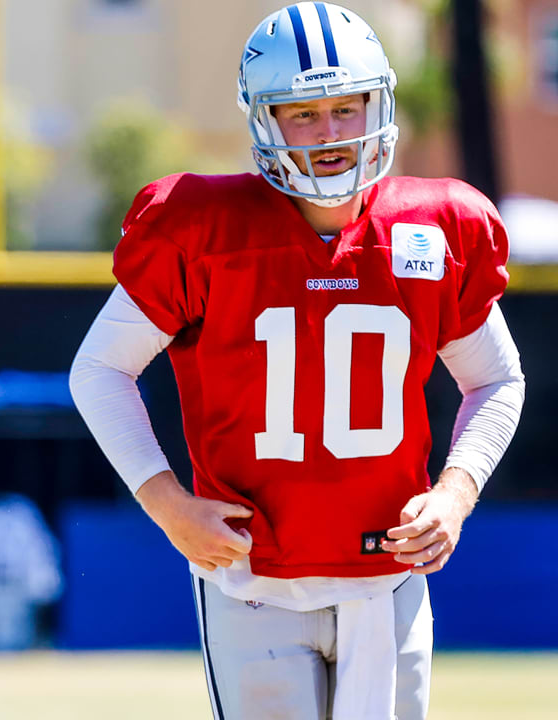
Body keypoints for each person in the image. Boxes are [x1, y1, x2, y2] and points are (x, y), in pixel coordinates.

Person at [69, 4, 524, 719]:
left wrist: (455, 493)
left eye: (347, 107)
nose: (333, 132)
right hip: (253, 581)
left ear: (380, 102)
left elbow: (497, 378)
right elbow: (99, 369)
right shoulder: (201, 224)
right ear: (263, 119)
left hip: (387, 579)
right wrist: (166, 504)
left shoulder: (436, 228)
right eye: (303, 113)